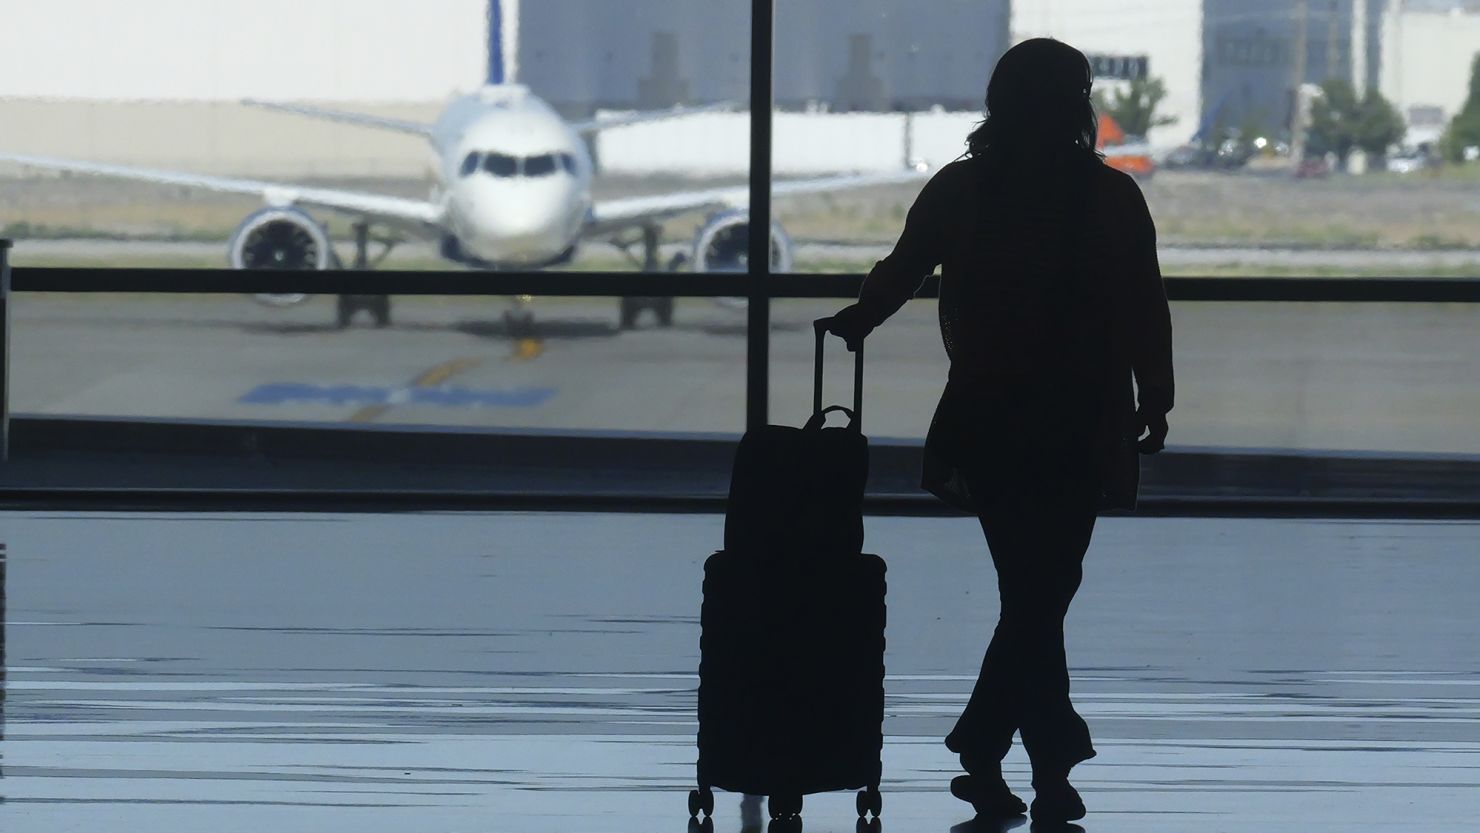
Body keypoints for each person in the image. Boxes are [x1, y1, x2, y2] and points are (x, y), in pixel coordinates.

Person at [825, 38, 1174, 824]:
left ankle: (1007, 747)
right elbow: (1144, 303)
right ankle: (1030, 753)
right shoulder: (1112, 199)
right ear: (1076, 106)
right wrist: (1156, 393)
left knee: (1031, 587)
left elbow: (904, 266)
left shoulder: (963, 190)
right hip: (1082, 418)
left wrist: (859, 319)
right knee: (1046, 589)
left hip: (990, 415)